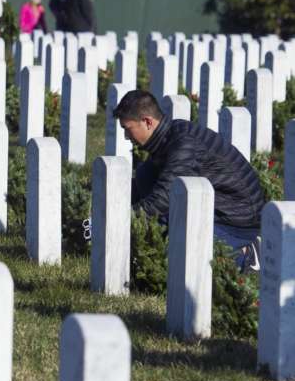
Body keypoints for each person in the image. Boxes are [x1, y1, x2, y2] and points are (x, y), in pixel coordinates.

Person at [114, 90, 266, 267]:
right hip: (220, 205)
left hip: (237, 218)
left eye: (127, 129)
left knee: (187, 252)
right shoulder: (169, 135)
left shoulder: (182, 144)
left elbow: (163, 199)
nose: (126, 137)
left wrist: (117, 220)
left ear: (147, 122)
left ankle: (246, 254)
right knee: (144, 174)